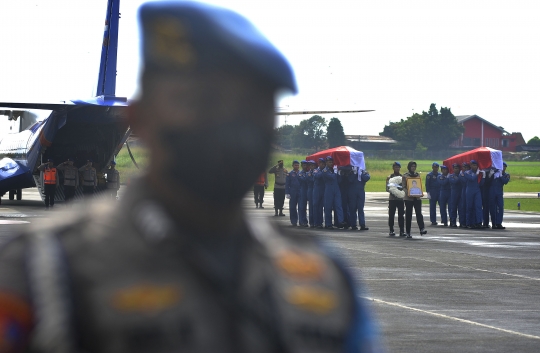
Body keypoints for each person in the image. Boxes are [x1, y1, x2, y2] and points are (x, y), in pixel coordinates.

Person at [0, 2, 381, 352]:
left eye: (253, 107)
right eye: (201, 102)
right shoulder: (41, 273)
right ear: (139, 120)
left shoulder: (326, 279)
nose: (230, 128)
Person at [402, 161, 427, 238]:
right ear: (409, 167)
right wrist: (409, 193)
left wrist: (419, 192)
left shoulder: (417, 175)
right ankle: (408, 232)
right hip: (408, 198)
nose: (413, 168)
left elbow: (419, 185)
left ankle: (422, 228)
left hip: (417, 197)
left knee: (419, 214)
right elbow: (403, 187)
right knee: (408, 215)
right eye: (412, 166)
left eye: (414, 166)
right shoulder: (405, 176)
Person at [322, 156, 347, 229]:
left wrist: (339, 173)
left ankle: (340, 221)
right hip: (329, 189)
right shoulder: (325, 171)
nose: (331, 163)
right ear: (326, 163)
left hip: (336, 189)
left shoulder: (333, 170)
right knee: (328, 207)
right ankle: (328, 223)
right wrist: (336, 172)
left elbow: (339, 180)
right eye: (329, 162)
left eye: (331, 162)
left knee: (338, 205)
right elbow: (332, 177)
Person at [464, 160, 486, 229]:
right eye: (473, 165)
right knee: (469, 207)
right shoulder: (467, 172)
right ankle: (469, 223)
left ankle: (478, 222)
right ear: (470, 166)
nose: (474, 167)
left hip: (477, 190)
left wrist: (483, 177)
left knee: (478, 206)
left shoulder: (478, 173)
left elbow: (481, 184)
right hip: (469, 190)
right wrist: (477, 174)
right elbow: (472, 178)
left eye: (476, 165)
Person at [348, 166, 370, 230]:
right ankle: (353, 225)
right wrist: (354, 173)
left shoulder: (363, 171)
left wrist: (361, 173)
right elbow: (350, 180)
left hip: (360, 192)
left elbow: (367, 178)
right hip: (352, 192)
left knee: (360, 208)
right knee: (352, 209)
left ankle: (362, 224)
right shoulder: (351, 171)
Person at [490, 162, 510, 229]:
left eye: (504, 167)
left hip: (499, 193)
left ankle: (499, 223)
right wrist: (492, 173)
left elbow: (505, 181)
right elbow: (488, 179)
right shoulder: (495, 173)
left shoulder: (506, 175)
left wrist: (501, 175)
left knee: (500, 207)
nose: (503, 168)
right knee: (493, 208)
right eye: (502, 167)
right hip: (492, 192)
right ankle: (494, 223)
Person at [387, 161, 404, 236]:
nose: (397, 168)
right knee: (391, 215)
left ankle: (402, 230)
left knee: (401, 215)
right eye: (395, 167)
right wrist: (395, 191)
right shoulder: (390, 177)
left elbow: (405, 188)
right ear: (393, 168)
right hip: (392, 199)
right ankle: (391, 229)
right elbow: (387, 188)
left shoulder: (403, 177)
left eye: (398, 167)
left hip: (400, 199)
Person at [285, 160, 301, 226]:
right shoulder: (290, 174)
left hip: (300, 192)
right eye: (295, 165)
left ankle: (301, 221)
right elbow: (287, 184)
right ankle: (293, 221)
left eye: (297, 165)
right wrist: (287, 193)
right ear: (292, 166)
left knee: (301, 207)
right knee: (292, 207)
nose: (296, 166)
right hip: (293, 192)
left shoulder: (301, 173)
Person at [312, 158, 326, 228]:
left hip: (323, 189)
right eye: (321, 164)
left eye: (323, 164)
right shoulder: (316, 170)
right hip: (317, 190)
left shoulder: (325, 170)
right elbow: (317, 176)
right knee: (315, 206)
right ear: (319, 164)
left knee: (321, 207)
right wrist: (323, 171)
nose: (322, 165)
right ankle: (315, 222)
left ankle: (320, 222)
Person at [447, 163, 463, 227]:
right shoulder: (451, 176)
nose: (456, 170)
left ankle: (461, 222)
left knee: (461, 208)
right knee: (453, 208)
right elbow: (454, 182)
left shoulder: (461, 175)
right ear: (453, 169)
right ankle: (453, 222)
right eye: (455, 168)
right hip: (454, 193)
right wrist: (459, 177)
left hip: (460, 193)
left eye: (457, 168)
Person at [297, 160, 309, 227]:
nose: (305, 166)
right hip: (303, 190)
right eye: (304, 165)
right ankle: (302, 221)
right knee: (302, 207)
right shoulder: (300, 173)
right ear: (302, 166)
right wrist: (308, 176)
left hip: (308, 190)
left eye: (306, 165)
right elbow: (303, 179)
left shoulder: (308, 172)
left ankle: (306, 221)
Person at [458, 162, 471, 228]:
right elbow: (465, 181)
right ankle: (462, 222)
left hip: (468, 190)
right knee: (463, 207)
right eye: (464, 167)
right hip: (463, 190)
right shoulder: (461, 174)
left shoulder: (469, 173)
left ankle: (468, 222)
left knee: (468, 207)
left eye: (466, 167)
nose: (465, 169)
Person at [306, 160, 316, 227]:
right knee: (311, 207)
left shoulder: (316, 172)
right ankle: (311, 222)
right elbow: (312, 180)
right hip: (310, 190)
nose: (312, 167)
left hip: (315, 189)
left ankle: (315, 222)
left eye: (313, 165)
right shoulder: (308, 173)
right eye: (311, 165)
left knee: (315, 206)